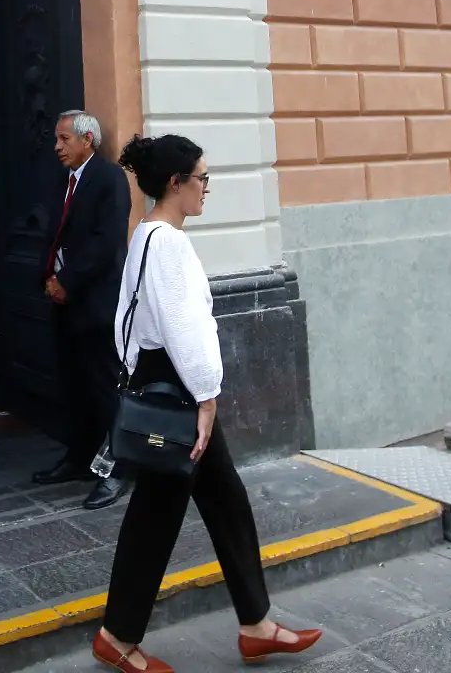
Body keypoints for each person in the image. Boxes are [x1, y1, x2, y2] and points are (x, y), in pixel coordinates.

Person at [91, 134, 321, 673]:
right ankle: (119, 636)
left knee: (223, 500)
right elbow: (184, 327)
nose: (206, 189)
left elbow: (128, 319)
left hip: (164, 380)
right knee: (160, 513)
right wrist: (207, 396)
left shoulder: (147, 235)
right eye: (202, 179)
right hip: (180, 386)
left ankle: (255, 625)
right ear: (175, 183)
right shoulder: (167, 242)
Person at [31, 110, 133, 511]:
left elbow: (106, 242)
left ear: (87, 140)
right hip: (63, 301)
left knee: (105, 387)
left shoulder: (108, 178)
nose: (57, 147)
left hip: (95, 301)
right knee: (72, 384)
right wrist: (47, 278)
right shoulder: (62, 181)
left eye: (64, 139)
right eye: (57, 139)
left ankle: (118, 469)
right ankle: (78, 458)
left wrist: (67, 281)